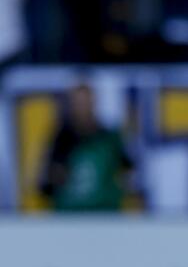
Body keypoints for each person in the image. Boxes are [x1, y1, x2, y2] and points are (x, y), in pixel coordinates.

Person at [40, 83, 136, 211]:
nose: (82, 108)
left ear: (94, 102)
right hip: (70, 214)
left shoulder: (108, 139)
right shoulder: (60, 140)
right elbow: (47, 181)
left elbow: (128, 172)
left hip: (105, 213)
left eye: (86, 102)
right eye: (78, 103)